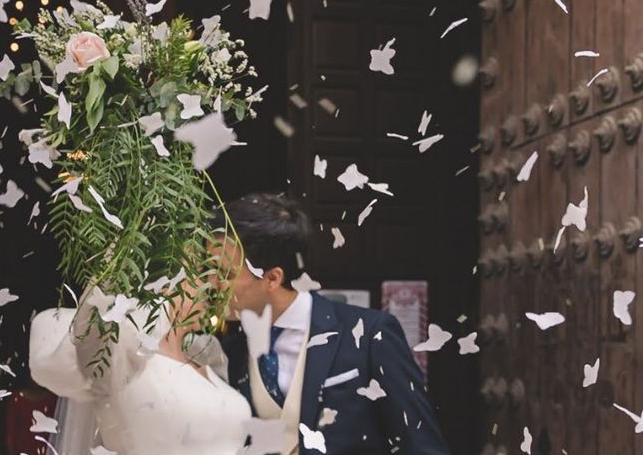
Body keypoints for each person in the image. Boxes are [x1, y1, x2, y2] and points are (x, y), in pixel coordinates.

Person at [212, 193, 451, 455]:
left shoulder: (370, 335)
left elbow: (422, 445)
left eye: (225, 273)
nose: (213, 283)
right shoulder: (232, 351)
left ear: (272, 278)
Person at [28, 277, 251, 455]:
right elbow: (90, 334)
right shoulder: (126, 357)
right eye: (203, 270)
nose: (214, 283)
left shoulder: (206, 356)